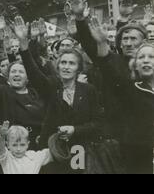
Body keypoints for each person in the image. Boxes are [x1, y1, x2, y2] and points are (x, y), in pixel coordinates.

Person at [14, 16, 103, 173]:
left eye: (71, 63)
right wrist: (23, 44)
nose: (66, 67)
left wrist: (75, 129)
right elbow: (33, 73)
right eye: (63, 62)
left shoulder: (88, 90)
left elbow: (97, 123)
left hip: (79, 149)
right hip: (52, 149)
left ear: (79, 68)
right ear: (57, 65)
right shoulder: (52, 86)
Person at [88, 17, 154, 174]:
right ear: (135, 65)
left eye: (151, 57)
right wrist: (102, 43)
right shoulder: (131, 90)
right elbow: (108, 70)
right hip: (140, 159)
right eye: (141, 57)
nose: (146, 61)